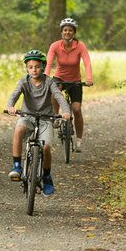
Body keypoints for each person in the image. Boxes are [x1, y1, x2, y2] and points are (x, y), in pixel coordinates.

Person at [6, 49, 72, 196]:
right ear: (26, 68)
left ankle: (47, 177)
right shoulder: (24, 81)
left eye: (37, 66)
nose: (34, 70)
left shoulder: (49, 81)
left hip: (45, 119)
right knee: (18, 130)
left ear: (43, 67)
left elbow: (59, 96)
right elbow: (14, 94)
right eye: (30, 67)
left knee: (46, 147)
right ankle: (16, 166)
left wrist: (66, 111)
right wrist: (10, 106)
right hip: (27, 116)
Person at [46, 17, 93, 152]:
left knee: (77, 109)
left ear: (74, 32)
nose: (67, 32)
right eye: (65, 30)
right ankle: (55, 116)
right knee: (54, 91)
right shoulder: (55, 46)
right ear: (61, 32)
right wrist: (45, 77)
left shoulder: (80, 46)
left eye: (70, 30)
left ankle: (79, 141)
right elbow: (49, 62)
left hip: (75, 81)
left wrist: (89, 78)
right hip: (59, 78)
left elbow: (87, 62)